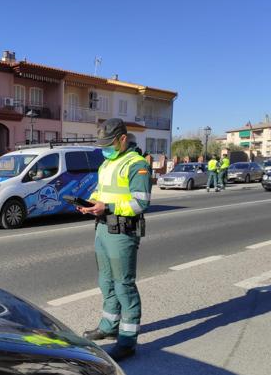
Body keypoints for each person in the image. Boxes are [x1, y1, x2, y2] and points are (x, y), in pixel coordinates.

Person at [77, 118, 151, 361]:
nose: (105, 149)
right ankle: (108, 326)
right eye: (102, 145)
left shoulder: (136, 164)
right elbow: (102, 191)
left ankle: (127, 341)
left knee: (123, 285)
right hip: (102, 228)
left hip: (122, 232)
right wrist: (90, 203)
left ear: (122, 139)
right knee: (106, 281)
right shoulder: (107, 163)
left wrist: (106, 206)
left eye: (109, 144)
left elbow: (140, 203)